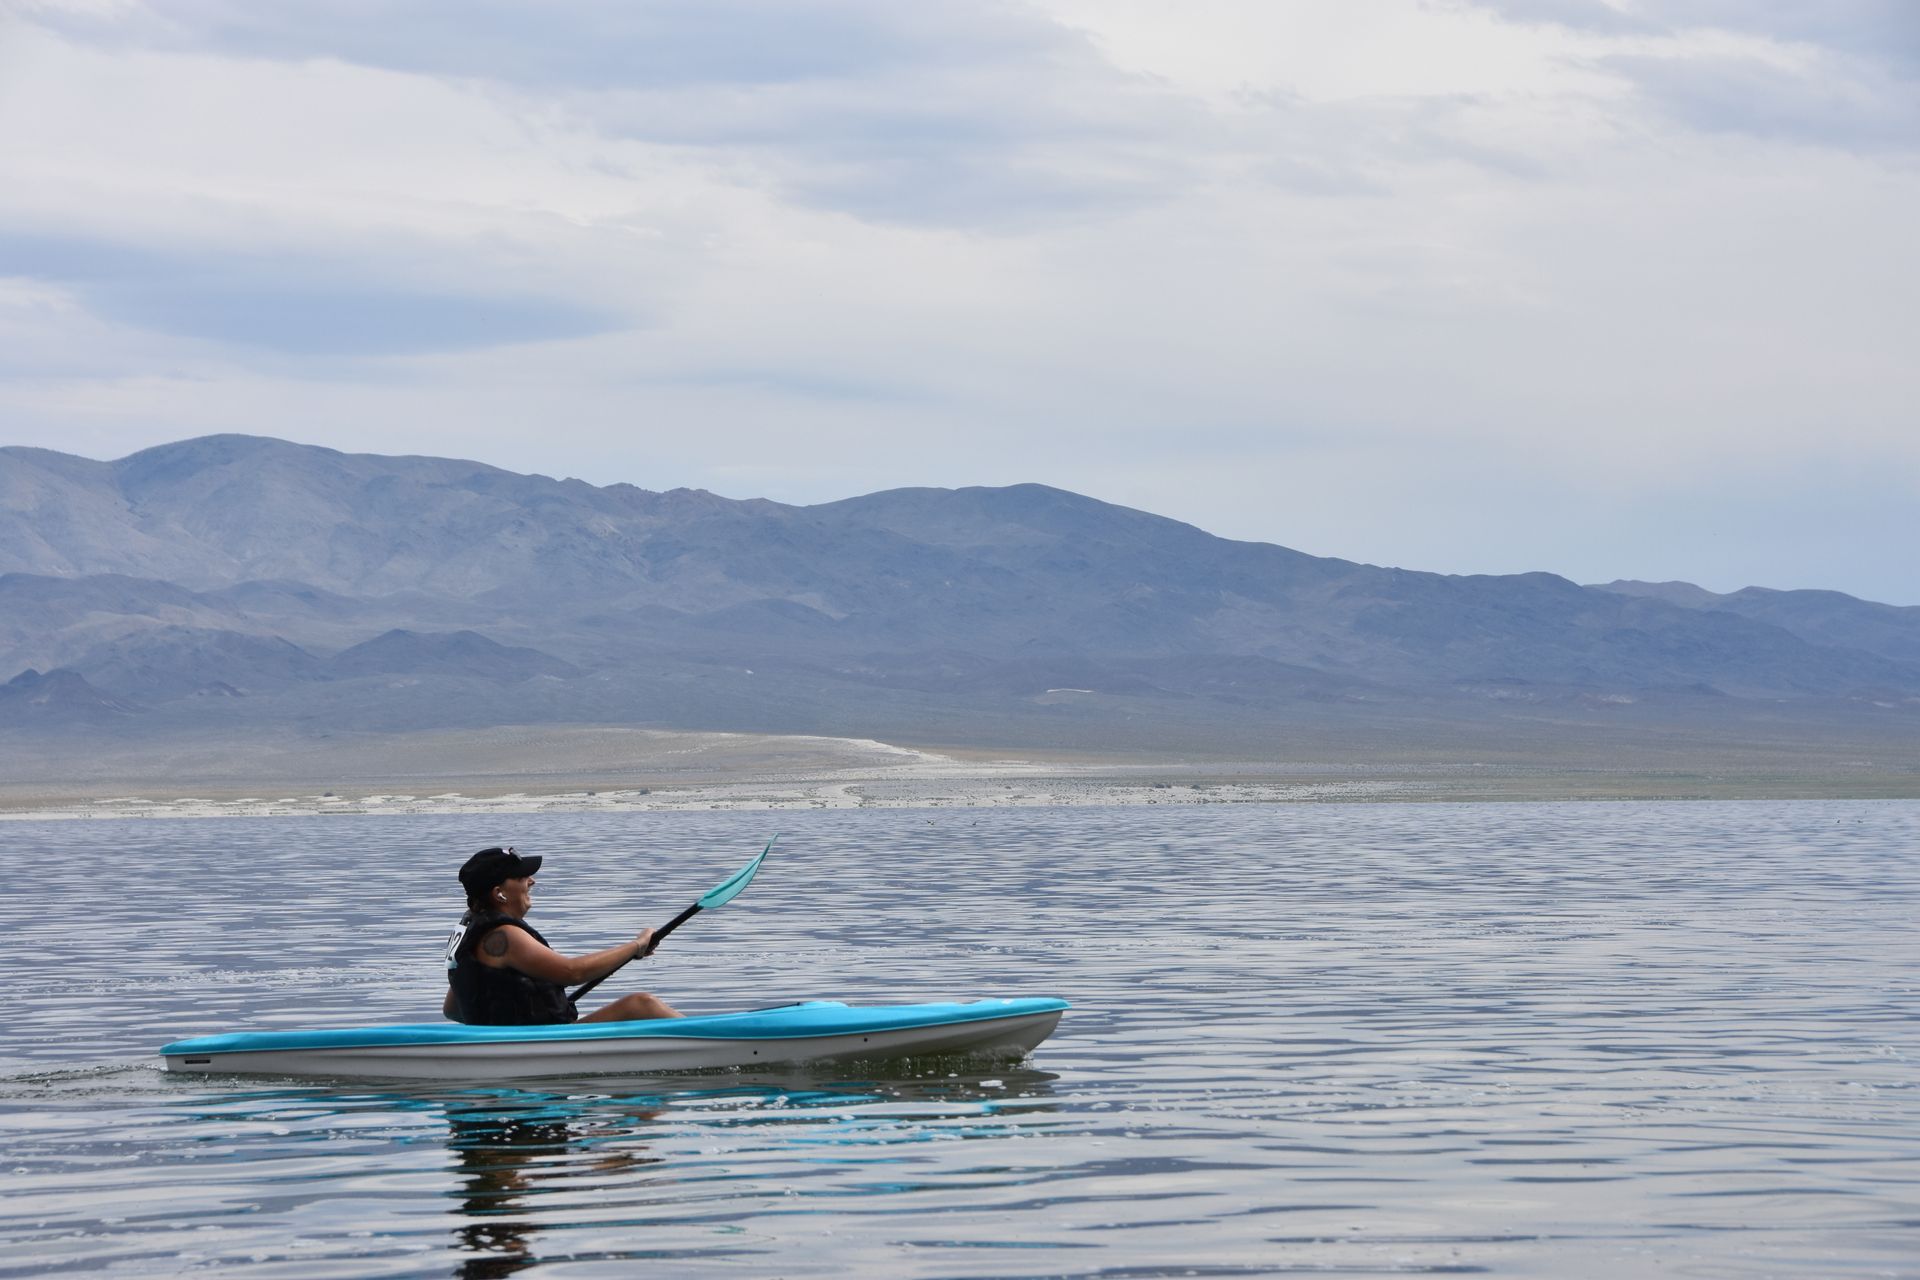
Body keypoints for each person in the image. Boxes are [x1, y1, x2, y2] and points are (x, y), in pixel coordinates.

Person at [443, 845, 682, 1025]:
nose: (532, 881)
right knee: (641, 1005)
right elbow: (572, 972)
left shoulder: (472, 932)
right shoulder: (503, 935)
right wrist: (636, 945)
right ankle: (716, 1043)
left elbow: (452, 1008)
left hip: (520, 1043)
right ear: (499, 893)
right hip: (535, 1045)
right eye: (521, 877)